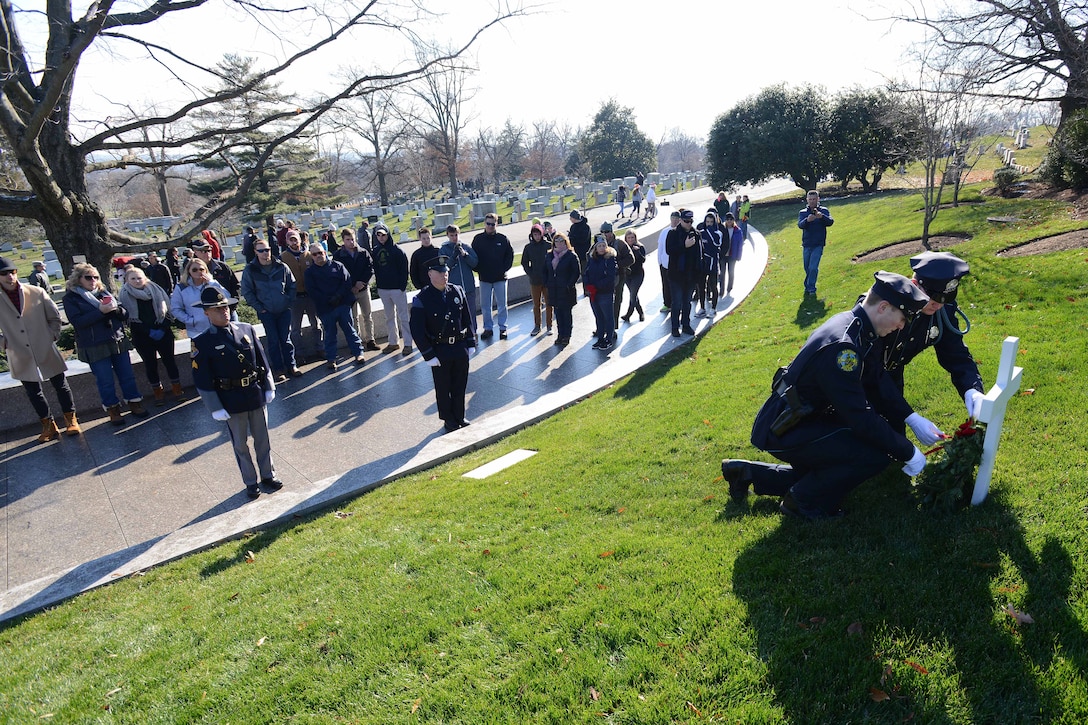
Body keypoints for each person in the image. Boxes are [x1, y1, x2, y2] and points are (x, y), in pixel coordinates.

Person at [721, 272, 931, 520]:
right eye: (902, 318)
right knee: (872, 455)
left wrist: (911, 417)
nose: (901, 326)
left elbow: (876, 380)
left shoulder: (858, 326)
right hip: (784, 426)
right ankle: (801, 501)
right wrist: (906, 450)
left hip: (800, 417)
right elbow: (860, 417)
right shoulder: (845, 348)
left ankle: (747, 474)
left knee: (838, 461)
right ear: (884, 307)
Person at [190, 286, 283, 500]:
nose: (224, 312)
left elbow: (262, 360)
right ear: (206, 312)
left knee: (263, 439)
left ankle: (268, 475)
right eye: (217, 309)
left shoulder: (246, 329)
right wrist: (215, 407)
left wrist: (269, 386)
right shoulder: (202, 342)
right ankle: (251, 482)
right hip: (230, 398)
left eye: (225, 307)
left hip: (254, 393)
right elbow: (202, 379)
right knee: (240, 444)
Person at [885, 251, 985, 420]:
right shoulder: (889, 305)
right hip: (861, 376)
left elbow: (955, 354)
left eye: (946, 299)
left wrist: (972, 389)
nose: (939, 305)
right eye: (934, 298)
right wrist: (910, 417)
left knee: (894, 429)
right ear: (915, 284)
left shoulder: (943, 310)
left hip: (892, 376)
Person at [0, 255, 80, 440]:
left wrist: (52, 335)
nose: (10, 277)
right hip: (18, 351)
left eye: (12, 272)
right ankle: (48, 425)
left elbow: (54, 317)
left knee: (61, 385)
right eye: (4, 274)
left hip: (44, 346)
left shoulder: (35, 291)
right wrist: (4, 344)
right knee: (33, 391)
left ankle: (71, 420)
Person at [63, 263, 147, 425]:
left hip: (116, 339)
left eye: (95, 277)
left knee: (127, 375)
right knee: (105, 380)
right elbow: (78, 322)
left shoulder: (104, 292)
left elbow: (124, 314)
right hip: (94, 345)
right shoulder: (71, 298)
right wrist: (100, 311)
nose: (93, 280)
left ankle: (134, 403)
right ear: (78, 279)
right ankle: (113, 409)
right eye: (88, 277)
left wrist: (116, 309)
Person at [409, 255, 477, 434]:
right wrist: (428, 354)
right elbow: (416, 329)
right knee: (443, 387)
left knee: (460, 384)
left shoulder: (457, 291)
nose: (444, 276)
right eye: (439, 273)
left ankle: (460, 415)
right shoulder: (422, 298)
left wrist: (471, 341)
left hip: (460, 346)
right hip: (440, 350)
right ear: (430, 274)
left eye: (445, 272)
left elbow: (467, 319)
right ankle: (448, 419)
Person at [119, 267, 184, 405]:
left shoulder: (156, 290)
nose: (137, 281)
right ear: (127, 280)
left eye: (139, 278)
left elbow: (168, 311)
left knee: (170, 361)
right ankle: (158, 393)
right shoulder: (124, 295)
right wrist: (148, 331)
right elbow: (128, 319)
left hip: (163, 332)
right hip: (142, 336)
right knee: (150, 365)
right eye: (133, 279)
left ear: (145, 278)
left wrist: (162, 328)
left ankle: (177, 389)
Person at [241, 238, 300, 382]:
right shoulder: (250, 270)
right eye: (261, 250)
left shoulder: (281, 266)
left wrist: (288, 301)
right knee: (273, 341)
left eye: (267, 250)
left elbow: (292, 285)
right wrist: (259, 308)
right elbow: (247, 291)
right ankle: (278, 369)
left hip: (283, 309)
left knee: (286, 340)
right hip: (266, 312)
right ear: (255, 252)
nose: (265, 253)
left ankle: (291, 366)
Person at [304, 242, 366, 371]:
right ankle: (331, 359)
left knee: (350, 330)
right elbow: (311, 290)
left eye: (320, 253)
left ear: (325, 253)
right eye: (315, 254)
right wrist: (327, 300)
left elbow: (346, 282)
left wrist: (338, 296)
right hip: (325, 308)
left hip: (342, 305)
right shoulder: (309, 273)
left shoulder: (337, 266)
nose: (318, 256)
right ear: (312, 256)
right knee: (330, 334)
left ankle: (358, 353)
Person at [279, 230, 322, 362]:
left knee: (316, 324)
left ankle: (320, 348)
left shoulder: (309, 255)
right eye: (291, 240)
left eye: (295, 239)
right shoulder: (283, 258)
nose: (294, 242)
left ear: (300, 239)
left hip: (310, 296)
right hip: (294, 297)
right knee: (295, 328)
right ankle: (300, 353)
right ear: (287, 241)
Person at [334, 228, 379, 352]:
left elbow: (370, 269)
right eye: (348, 240)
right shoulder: (338, 255)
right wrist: (351, 286)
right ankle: (356, 342)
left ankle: (370, 340)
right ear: (343, 241)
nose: (351, 242)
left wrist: (362, 283)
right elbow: (338, 275)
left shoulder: (363, 253)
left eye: (353, 239)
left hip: (363, 289)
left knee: (367, 315)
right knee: (353, 318)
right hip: (349, 292)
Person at [371, 223, 413, 354]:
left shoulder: (398, 251)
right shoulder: (376, 251)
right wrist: (379, 286)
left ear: (388, 234)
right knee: (389, 317)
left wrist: (401, 287)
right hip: (384, 289)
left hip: (397, 289)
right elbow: (376, 269)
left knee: (404, 317)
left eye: (383, 234)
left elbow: (404, 270)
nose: (381, 237)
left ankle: (408, 343)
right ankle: (393, 342)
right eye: (378, 235)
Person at [471, 212, 513, 340]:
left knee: (502, 305)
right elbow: (473, 258)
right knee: (485, 306)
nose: (490, 226)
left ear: (496, 224)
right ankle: (488, 328)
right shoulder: (478, 239)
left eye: (492, 224)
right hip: (485, 279)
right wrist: (479, 270)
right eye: (488, 224)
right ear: (485, 224)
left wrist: (502, 269)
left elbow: (509, 256)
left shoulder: (502, 238)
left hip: (500, 278)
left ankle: (503, 328)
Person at [170, 258, 228, 340]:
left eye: (201, 269)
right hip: (196, 330)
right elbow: (175, 308)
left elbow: (227, 298)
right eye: (194, 270)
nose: (199, 272)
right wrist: (191, 320)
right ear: (188, 271)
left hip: (217, 326)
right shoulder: (181, 287)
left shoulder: (213, 283)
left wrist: (212, 283)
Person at [665, 209, 701, 337]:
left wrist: (698, 274)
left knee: (687, 302)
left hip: (690, 275)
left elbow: (698, 255)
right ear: (680, 220)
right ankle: (675, 327)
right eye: (686, 221)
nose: (689, 224)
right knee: (677, 302)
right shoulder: (672, 233)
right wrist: (684, 246)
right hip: (676, 275)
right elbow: (669, 250)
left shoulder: (695, 234)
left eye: (691, 221)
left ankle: (686, 324)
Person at [543, 233, 580, 347]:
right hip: (553, 290)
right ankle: (560, 335)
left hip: (566, 290)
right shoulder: (549, 256)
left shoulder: (571, 256)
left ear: (566, 242)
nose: (559, 243)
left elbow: (576, 272)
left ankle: (567, 335)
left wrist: (569, 284)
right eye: (557, 241)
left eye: (561, 241)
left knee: (566, 313)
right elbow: (544, 271)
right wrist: (547, 283)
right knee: (558, 314)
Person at [440, 224, 478, 326]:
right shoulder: (444, 249)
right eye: (452, 235)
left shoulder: (466, 247)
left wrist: (465, 255)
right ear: (448, 235)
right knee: (457, 314)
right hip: (454, 289)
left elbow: (474, 262)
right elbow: (445, 267)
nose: (454, 238)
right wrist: (453, 256)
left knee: (471, 312)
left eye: (456, 235)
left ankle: (473, 333)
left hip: (468, 286)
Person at [583, 238, 617, 350]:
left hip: (605, 292)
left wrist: (596, 285)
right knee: (598, 317)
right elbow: (586, 273)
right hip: (594, 293)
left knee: (608, 316)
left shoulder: (610, 259)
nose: (602, 248)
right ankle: (600, 338)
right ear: (595, 248)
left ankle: (609, 339)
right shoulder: (592, 259)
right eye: (599, 246)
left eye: (603, 245)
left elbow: (611, 277)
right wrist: (588, 285)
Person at [798, 190, 834, 296]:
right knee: (807, 267)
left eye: (814, 199)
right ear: (807, 200)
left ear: (818, 199)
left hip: (818, 244)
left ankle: (811, 289)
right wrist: (807, 221)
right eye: (810, 199)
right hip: (807, 244)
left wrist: (822, 217)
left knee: (813, 267)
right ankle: (807, 284)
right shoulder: (803, 212)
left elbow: (830, 222)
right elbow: (800, 225)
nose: (812, 201)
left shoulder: (823, 211)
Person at [190, 239, 240, 316]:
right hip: (205, 314)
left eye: (209, 250)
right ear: (195, 252)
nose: (207, 253)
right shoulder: (191, 270)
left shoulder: (222, 267)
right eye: (203, 251)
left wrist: (232, 307)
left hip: (227, 310)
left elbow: (235, 286)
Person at [521, 223, 553, 336]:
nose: (537, 237)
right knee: (536, 304)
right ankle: (537, 326)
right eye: (535, 235)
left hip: (547, 279)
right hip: (535, 280)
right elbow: (524, 262)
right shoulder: (528, 248)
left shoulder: (548, 245)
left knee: (549, 303)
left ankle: (549, 326)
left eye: (538, 234)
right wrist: (531, 273)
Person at [600, 221, 633, 328]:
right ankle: (601, 326)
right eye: (603, 232)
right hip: (603, 278)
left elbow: (631, 258)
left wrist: (617, 265)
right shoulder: (599, 244)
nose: (605, 234)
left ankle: (613, 326)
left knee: (616, 301)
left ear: (612, 231)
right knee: (602, 302)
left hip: (618, 277)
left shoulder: (620, 243)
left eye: (607, 232)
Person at [696, 210, 723, 318]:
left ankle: (713, 308)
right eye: (707, 222)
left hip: (713, 263)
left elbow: (717, 244)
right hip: (703, 264)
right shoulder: (701, 233)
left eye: (711, 222)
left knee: (713, 285)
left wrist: (710, 232)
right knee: (701, 286)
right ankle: (702, 307)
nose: (709, 224)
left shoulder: (718, 233)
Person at [620, 230, 647, 322]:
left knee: (633, 295)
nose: (631, 239)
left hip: (638, 274)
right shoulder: (624, 248)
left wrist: (638, 252)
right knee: (633, 295)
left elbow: (643, 260)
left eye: (632, 237)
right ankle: (640, 312)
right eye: (629, 238)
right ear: (626, 239)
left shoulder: (640, 246)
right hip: (627, 275)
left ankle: (630, 313)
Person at [657, 211, 679, 313]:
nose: (674, 220)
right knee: (665, 284)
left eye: (677, 218)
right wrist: (660, 261)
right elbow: (660, 246)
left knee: (676, 285)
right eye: (673, 218)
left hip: (677, 265)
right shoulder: (664, 231)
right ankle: (667, 303)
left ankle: (677, 303)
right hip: (665, 263)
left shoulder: (680, 231)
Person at [567, 210, 593, 293]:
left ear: (575, 218)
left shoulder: (585, 227)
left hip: (584, 254)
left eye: (571, 217)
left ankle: (587, 290)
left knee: (585, 273)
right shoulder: (573, 227)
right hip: (575, 254)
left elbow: (583, 240)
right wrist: (571, 237)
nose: (570, 219)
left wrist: (573, 237)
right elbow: (572, 242)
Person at [409, 226, 442, 291]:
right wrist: (418, 286)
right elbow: (413, 272)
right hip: (424, 286)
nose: (426, 240)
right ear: (420, 239)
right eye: (424, 238)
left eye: (428, 238)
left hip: (439, 284)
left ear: (431, 237)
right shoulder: (416, 254)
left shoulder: (438, 251)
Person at [722, 212, 745, 296]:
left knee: (731, 272)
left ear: (733, 220)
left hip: (732, 255)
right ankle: (721, 290)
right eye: (727, 219)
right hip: (723, 255)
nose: (729, 221)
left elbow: (740, 244)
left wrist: (739, 256)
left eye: (731, 219)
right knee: (722, 273)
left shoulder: (737, 230)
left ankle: (729, 288)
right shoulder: (722, 229)